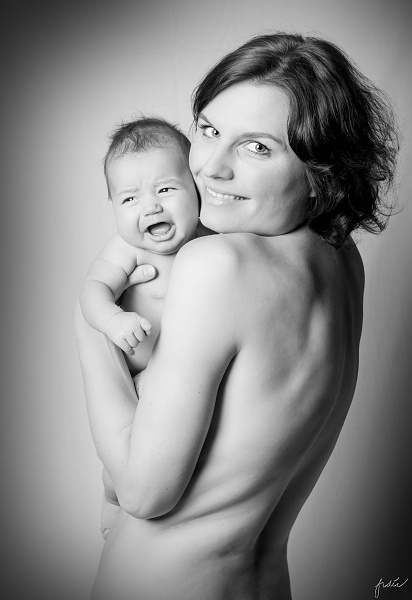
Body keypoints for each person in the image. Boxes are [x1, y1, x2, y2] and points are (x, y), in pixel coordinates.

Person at [75, 32, 398, 600]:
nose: (210, 168)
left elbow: (144, 494)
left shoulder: (216, 264)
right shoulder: (344, 262)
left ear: (321, 171)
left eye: (256, 148)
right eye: (208, 130)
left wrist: (89, 326)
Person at [80, 117, 211, 537]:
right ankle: (112, 501)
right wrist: (113, 320)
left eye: (166, 189)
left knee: (188, 460)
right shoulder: (126, 249)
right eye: (130, 198)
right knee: (125, 463)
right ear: (113, 207)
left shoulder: (212, 242)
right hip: (138, 381)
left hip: (186, 380)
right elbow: (92, 290)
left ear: (196, 188)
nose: (150, 206)